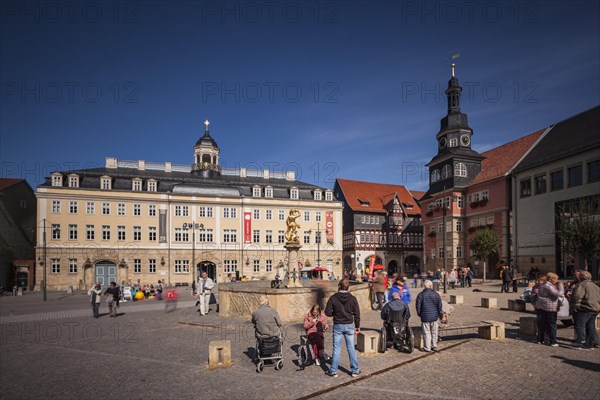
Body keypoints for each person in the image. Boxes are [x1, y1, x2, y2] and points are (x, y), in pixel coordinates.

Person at [324, 279, 361, 378]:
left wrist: (334, 314)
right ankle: (355, 370)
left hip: (338, 325)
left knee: (336, 349)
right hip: (349, 325)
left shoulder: (333, 298)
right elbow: (357, 314)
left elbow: (327, 312)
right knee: (351, 348)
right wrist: (357, 326)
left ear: (339, 286)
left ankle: (333, 370)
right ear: (348, 287)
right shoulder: (353, 298)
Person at [570, 270, 600, 349]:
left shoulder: (582, 285)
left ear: (581, 277)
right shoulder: (595, 285)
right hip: (594, 308)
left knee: (579, 324)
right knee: (591, 326)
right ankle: (590, 343)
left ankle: (581, 341)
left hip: (585, 308)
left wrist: (575, 306)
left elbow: (577, 296)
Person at [534, 272, 564, 346]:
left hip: (542, 307)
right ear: (551, 279)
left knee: (542, 323)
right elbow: (559, 294)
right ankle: (553, 341)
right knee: (552, 324)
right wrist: (561, 286)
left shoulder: (543, 285)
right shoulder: (549, 286)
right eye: (556, 279)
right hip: (550, 308)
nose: (557, 280)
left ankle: (540, 339)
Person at [415, 280, 442, 352]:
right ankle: (434, 345)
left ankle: (427, 347)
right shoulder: (435, 294)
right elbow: (439, 306)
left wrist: (419, 314)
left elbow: (418, 306)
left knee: (426, 332)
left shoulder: (421, 295)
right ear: (431, 286)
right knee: (434, 331)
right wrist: (438, 314)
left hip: (425, 316)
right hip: (434, 316)